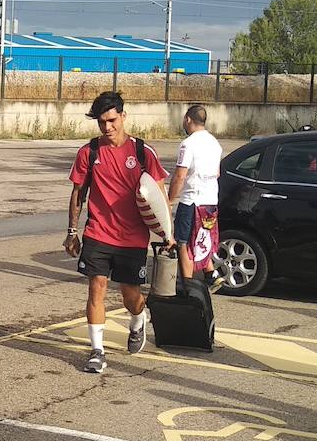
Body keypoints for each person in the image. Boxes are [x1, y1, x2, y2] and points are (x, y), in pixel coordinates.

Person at [63, 91, 169, 374]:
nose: (107, 127)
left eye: (111, 120)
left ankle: (137, 320)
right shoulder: (89, 152)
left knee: (129, 294)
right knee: (96, 287)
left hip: (132, 239)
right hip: (98, 232)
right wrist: (72, 231)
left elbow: (159, 194)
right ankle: (97, 351)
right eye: (101, 123)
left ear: (123, 116)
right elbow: (77, 193)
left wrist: (168, 234)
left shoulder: (143, 152)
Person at [166, 104, 224, 288]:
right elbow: (217, 173)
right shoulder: (215, 143)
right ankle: (211, 274)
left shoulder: (188, 144)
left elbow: (180, 176)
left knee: (184, 243)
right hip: (210, 202)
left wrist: (169, 200)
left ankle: (187, 284)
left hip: (192, 201)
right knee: (202, 238)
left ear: (188, 119)